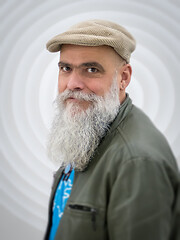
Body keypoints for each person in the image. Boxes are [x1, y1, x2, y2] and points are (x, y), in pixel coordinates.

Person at [44, 19, 180, 240]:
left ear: (123, 78)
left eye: (91, 69)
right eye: (66, 68)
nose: (72, 84)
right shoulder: (88, 128)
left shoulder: (137, 162)